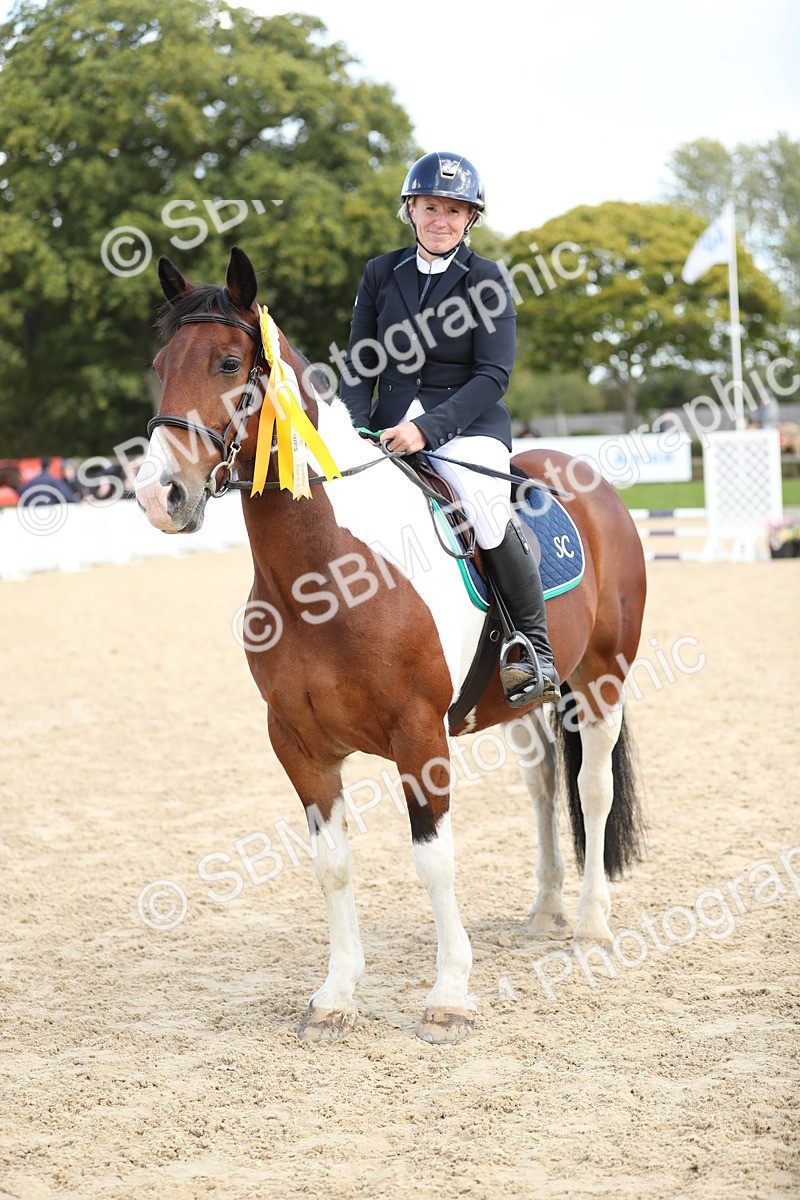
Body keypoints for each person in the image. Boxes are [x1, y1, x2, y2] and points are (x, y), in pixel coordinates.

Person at [339, 150, 559, 708]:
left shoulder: (488, 279)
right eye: (431, 207)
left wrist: (426, 431)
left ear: (470, 219)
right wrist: (353, 427)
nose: (441, 220)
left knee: (484, 511)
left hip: (467, 427)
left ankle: (532, 647)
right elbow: (360, 363)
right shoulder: (379, 273)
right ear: (411, 210)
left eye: (454, 210)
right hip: (387, 428)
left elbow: (493, 375)